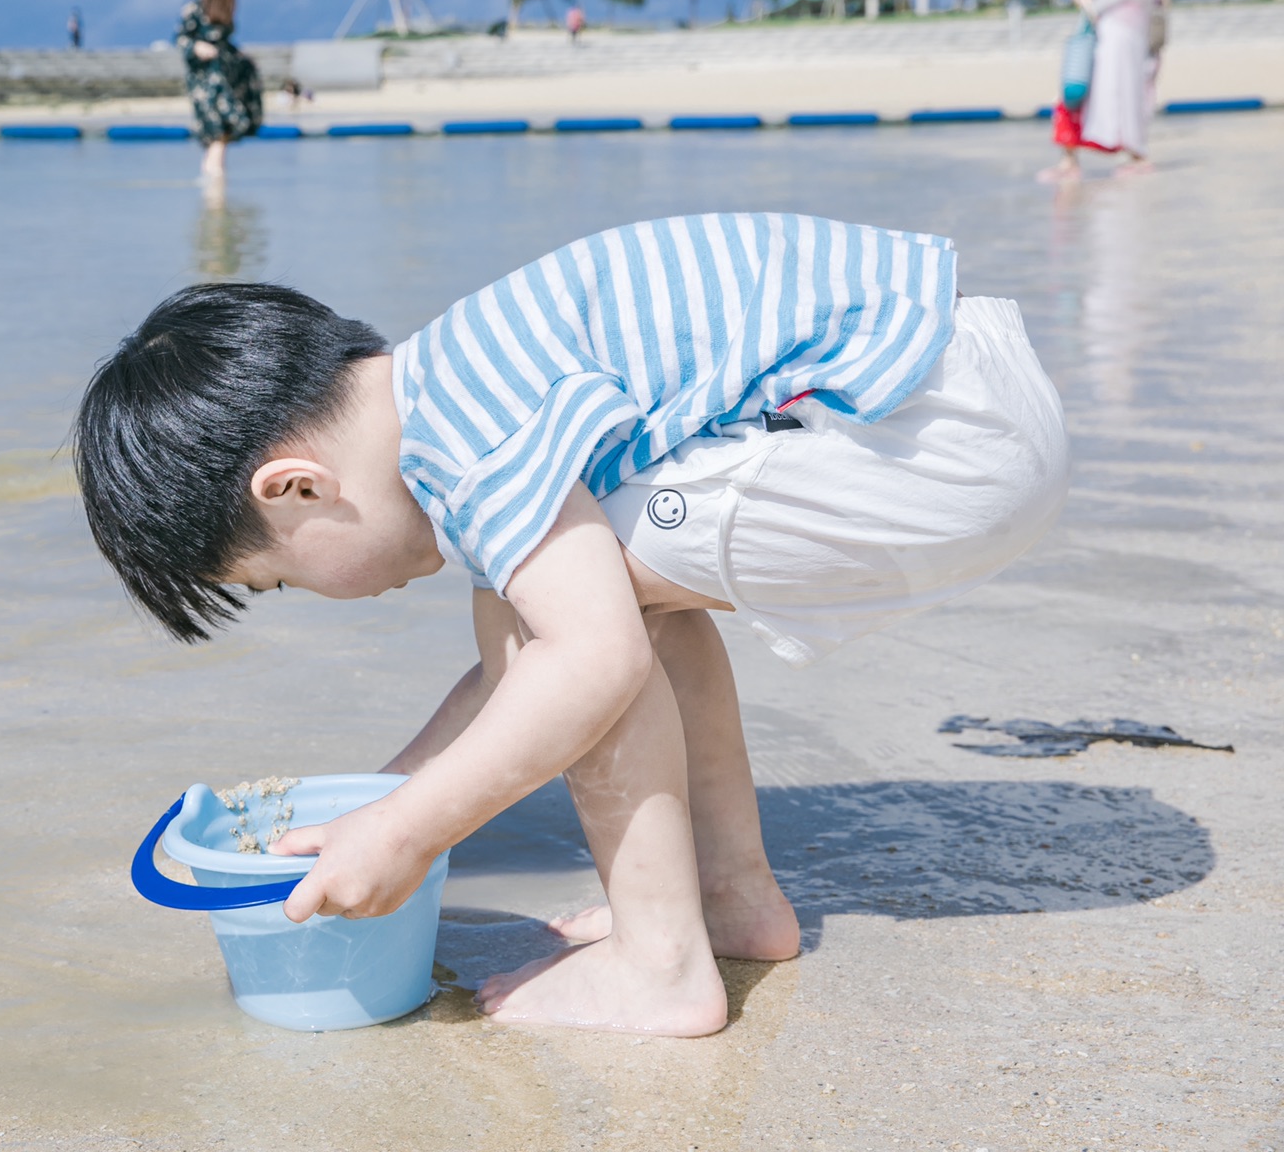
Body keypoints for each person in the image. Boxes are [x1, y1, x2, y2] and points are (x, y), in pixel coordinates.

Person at [75, 214, 1069, 1035]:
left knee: (558, 613)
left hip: (938, 428)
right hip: (949, 396)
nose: (309, 594)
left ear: (295, 489)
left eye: (278, 578)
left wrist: (410, 832)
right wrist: (380, 798)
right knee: (569, 592)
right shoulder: (456, 383)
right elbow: (537, 673)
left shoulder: (463, 439)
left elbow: (587, 658)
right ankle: (728, 898)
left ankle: (663, 960)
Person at [1042, 0, 1166, 180]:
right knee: (1110, 99)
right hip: (1119, 47)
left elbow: (1094, 8)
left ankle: (1130, 156)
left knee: (1107, 98)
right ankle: (1075, 159)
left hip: (1116, 50)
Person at [176, 0, 263, 182]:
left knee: (223, 133)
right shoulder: (194, 8)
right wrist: (198, 46)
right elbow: (181, 38)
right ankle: (216, 187)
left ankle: (214, 186)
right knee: (217, 131)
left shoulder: (224, 10)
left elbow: (224, 43)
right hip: (206, 83)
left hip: (226, 78)